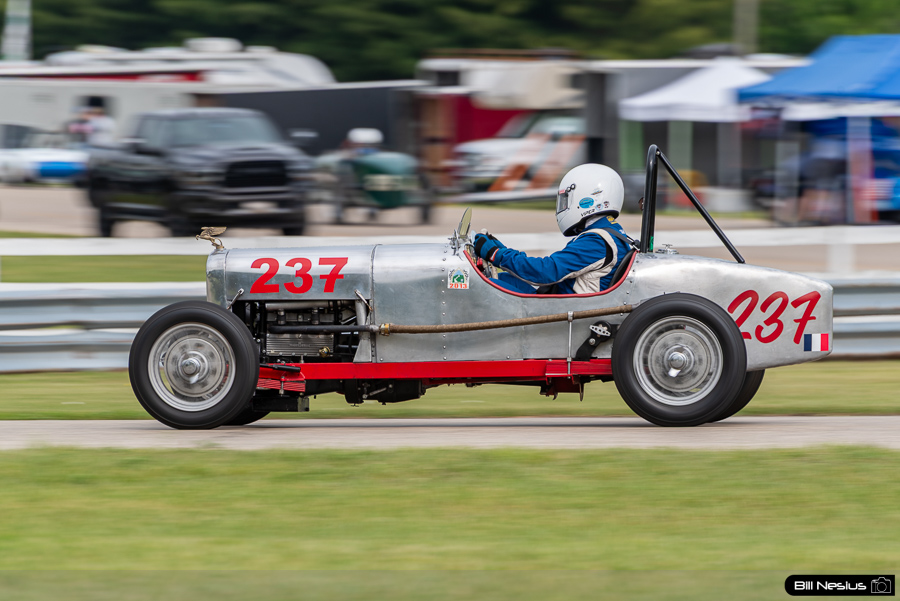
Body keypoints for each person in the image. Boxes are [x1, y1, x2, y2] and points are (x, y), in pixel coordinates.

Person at [473, 163, 634, 295]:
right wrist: (502, 250)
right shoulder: (613, 233)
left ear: (587, 199)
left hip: (566, 316)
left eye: (566, 200)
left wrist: (496, 254)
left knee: (478, 288)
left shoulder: (597, 240)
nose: (563, 206)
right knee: (502, 278)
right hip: (561, 302)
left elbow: (546, 272)